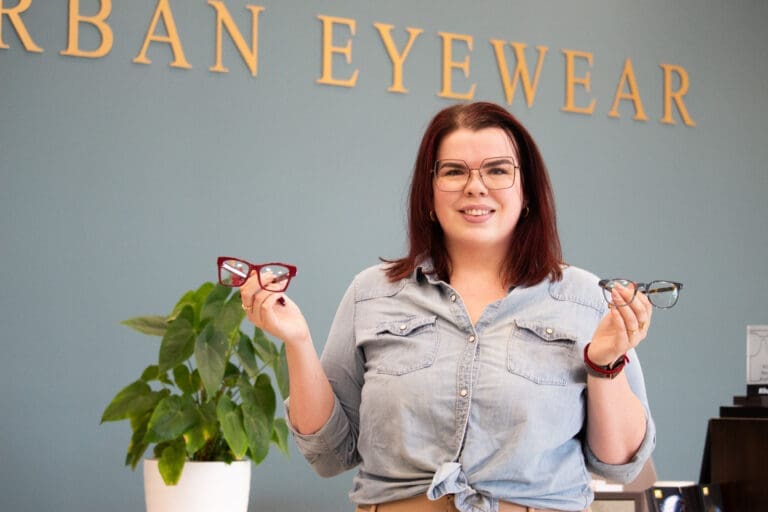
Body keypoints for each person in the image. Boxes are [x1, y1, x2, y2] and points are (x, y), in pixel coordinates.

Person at [239, 102, 655, 512]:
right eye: (454, 171)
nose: (475, 186)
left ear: (526, 191)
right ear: (429, 193)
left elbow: (618, 463)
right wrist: (297, 340)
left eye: (497, 170)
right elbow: (330, 454)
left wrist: (604, 364)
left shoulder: (584, 298)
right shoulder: (371, 293)